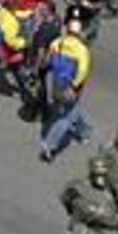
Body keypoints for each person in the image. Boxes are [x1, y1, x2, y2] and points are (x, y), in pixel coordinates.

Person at [38, 22, 91, 162]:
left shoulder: (57, 43)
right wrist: (73, 87)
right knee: (65, 118)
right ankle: (50, 146)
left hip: (56, 84)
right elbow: (83, 71)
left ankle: (83, 131)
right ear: (79, 33)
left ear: (67, 30)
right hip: (69, 87)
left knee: (70, 110)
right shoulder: (82, 50)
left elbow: (47, 61)